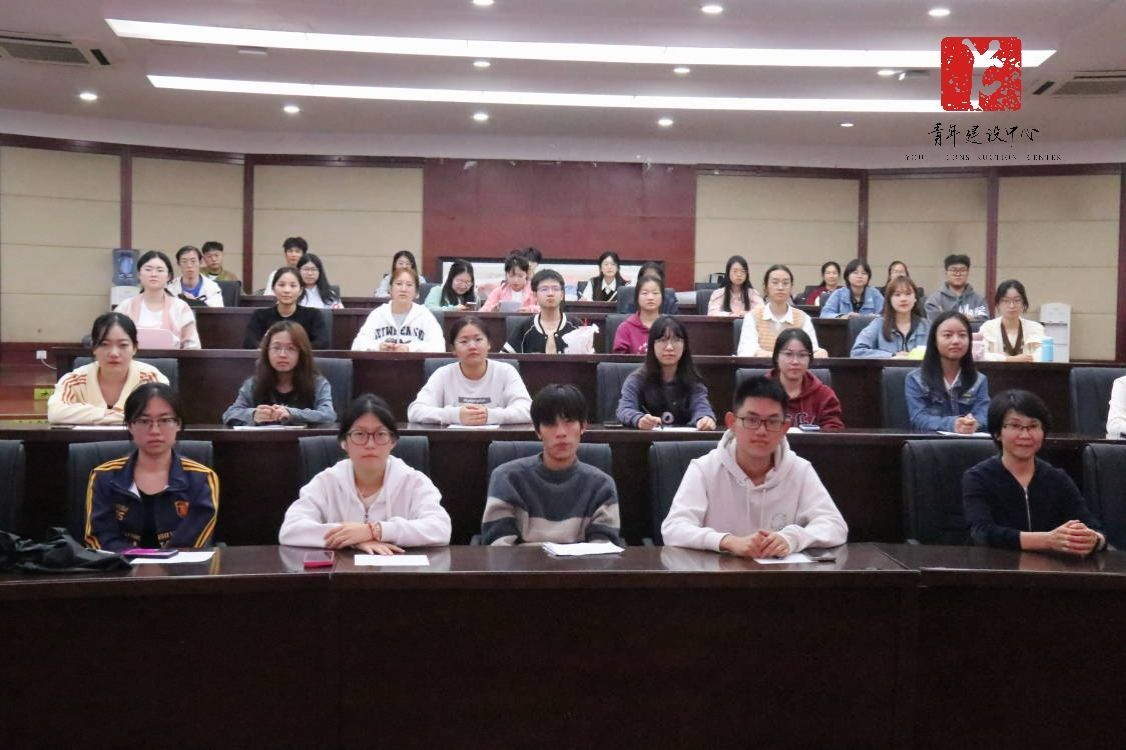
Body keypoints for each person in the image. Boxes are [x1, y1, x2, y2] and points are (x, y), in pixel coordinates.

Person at [660, 376, 848, 557]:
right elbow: (674, 528)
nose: (761, 431)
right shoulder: (704, 469)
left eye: (772, 421)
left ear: (784, 428)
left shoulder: (799, 470)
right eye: (751, 420)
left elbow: (835, 525)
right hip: (719, 575)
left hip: (782, 575)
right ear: (732, 423)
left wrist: (792, 538)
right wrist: (727, 541)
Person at [278, 394, 451, 553]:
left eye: (380, 434)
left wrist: (374, 530)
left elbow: (440, 529)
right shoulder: (326, 481)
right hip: (342, 573)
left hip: (398, 572)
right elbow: (290, 530)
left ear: (393, 441)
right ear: (344, 442)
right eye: (359, 434)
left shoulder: (414, 481)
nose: (370, 444)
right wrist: (353, 539)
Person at [963, 390, 1106, 554]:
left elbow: (1095, 529)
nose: (1025, 435)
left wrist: (1094, 540)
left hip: (1051, 567)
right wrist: (1047, 540)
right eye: (1015, 426)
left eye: (1033, 426)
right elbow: (981, 533)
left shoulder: (1057, 478)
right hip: (996, 565)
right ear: (997, 433)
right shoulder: (978, 477)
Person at [84, 383, 219, 552]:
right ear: (130, 425)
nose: (155, 430)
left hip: (180, 567)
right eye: (143, 421)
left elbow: (193, 542)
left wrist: (159, 562)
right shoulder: (104, 476)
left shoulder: (202, 478)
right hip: (121, 566)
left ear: (178, 424)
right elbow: (100, 538)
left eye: (165, 420)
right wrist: (138, 560)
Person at [481, 384, 621, 546]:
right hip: (520, 564)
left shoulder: (602, 485)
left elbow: (603, 550)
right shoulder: (506, 478)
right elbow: (498, 548)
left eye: (569, 422)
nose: (561, 433)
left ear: (583, 426)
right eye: (550, 424)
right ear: (538, 431)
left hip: (581, 564)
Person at [47, 313, 169, 425]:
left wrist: (88, 415)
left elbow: (160, 416)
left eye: (123, 345)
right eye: (104, 344)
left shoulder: (151, 378)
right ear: (94, 348)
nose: (114, 353)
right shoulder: (74, 380)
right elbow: (55, 413)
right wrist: (125, 417)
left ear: (135, 348)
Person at [407, 317, 532, 424]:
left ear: (489, 344)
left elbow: (527, 410)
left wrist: (490, 416)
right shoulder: (443, 374)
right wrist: (455, 415)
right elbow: (415, 411)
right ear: (453, 349)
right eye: (464, 341)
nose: (472, 346)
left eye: (478, 340)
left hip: (498, 441)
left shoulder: (506, 371)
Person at [223, 321, 336, 426]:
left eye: (291, 348)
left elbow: (329, 415)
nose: (282, 354)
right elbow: (229, 414)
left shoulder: (317, 383)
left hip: (303, 440)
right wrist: (253, 414)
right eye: (276, 348)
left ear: (301, 353)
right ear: (267, 352)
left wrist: (292, 413)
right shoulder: (253, 384)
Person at [616, 316, 716, 430]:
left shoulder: (693, 381)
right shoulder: (637, 379)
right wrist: (638, 419)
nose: (669, 347)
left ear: (685, 346)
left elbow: (702, 408)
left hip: (683, 440)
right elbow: (624, 409)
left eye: (676, 340)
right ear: (652, 345)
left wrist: (704, 419)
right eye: (662, 340)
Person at [906, 311, 990, 433]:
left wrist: (974, 424)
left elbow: (983, 415)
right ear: (934, 340)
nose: (956, 341)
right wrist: (953, 424)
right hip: (932, 442)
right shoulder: (916, 379)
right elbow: (918, 419)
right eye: (947, 335)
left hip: (970, 442)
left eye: (962, 335)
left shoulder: (979, 380)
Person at [115, 250, 202, 349]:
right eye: (148, 269)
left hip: (173, 359)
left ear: (168, 276)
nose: (154, 274)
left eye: (160, 270)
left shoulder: (181, 307)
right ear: (139, 274)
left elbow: (193, 346)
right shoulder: (126, 306)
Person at [737, 264, 827, 358]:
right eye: (775, 282)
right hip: (760, 367)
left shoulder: (803, 318)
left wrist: (819, 352)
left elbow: (812, 351)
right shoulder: (752, 317)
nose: (780, 287)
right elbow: (746, 351)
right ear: (765, 287)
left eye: (785, 283)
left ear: (791, 287)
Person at [351, 267, 444, 352]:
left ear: (416, 292)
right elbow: (357, 345)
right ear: (390, 289)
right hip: (381, 364)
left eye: (409, 285)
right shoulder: (378, 314)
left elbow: (439, 347)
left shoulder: (424, 315)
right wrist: (378, 346)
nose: (403, 289)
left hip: (414, 364)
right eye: (399, 284)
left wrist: (409, 348)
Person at [767, 329, 844, 429]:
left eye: (802, 355)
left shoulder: (824, 394)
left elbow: (834, 430)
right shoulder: (757, 392)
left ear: (810, 359)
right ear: (776, 357)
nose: (795, 361)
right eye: (788, 354)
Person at [244, 267, 330, 349]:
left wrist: (295, 351)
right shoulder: (260, 315)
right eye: (281, 285)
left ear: (300, 290)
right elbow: (249, 342)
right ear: (273, 289)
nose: (287, 290)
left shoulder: (313, 315)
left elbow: (322, 343)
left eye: (293, 286)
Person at [850, 275, 930, 358]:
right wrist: (892, 356)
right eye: (897, 294)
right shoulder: (878, 324)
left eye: (908, 294)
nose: (903, 299)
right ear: (889, 299)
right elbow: (857, 352)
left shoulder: (926, 326)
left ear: (915, 298)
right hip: (888, 366)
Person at [504, 269, 577, 354]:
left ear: (562, 295)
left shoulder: (575, 325)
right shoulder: (525, 328)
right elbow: (505, 357)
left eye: (555, 289)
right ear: (535, 295)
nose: (550, 293)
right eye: (544, 289)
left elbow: (587, 359)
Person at [979, 279, 1046, 361]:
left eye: (1017, 300)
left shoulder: (1036, 328)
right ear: (998, 304)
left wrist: (1029, 359)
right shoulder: (987, 327)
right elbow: (980, 355)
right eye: (1006, 301)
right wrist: (1008, 359)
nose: (1012, 306)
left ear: (1024, 303)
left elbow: (1044, 354)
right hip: (995, 369)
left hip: (1029, 369)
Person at [924, 254, 988, 322]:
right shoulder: (934, 300)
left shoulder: (979, 300)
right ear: (946, 272)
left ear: (968, 272)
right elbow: (935, 325)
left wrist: (945, 317)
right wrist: (968, 319)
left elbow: (984, 324)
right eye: (953, 270)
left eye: (962, 270)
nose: (958, 274)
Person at [612, 274, 664, 354]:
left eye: (655, 293)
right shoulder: (625, 328)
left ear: (662, 297)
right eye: (645, 293)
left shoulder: (669, 327)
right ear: (637, 297)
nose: (650, 297)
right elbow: (620, 360)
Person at [820, 258, 884, 318]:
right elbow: (824, 314)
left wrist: (875, 317)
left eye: (864, 273)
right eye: (855, 273)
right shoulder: (839, 293)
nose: (860, 276)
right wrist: (843, 316)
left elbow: (886, 315)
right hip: (844, 326)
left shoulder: (874, 293)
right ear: (847, 276)